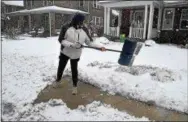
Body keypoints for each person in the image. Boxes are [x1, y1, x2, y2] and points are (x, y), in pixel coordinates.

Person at [55, 13, 106, 95]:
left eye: (82, 22)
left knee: (74, 70)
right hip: (65, 52)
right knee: (61, 67)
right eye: (79, 22)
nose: (81, 23)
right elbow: (61, 40)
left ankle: (74, 87)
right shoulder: (66, 27)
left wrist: (99, 47)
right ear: (75, 20)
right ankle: (58, 81)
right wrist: (72, 44)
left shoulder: (84, 29)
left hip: (76, 53)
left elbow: (89, 42)